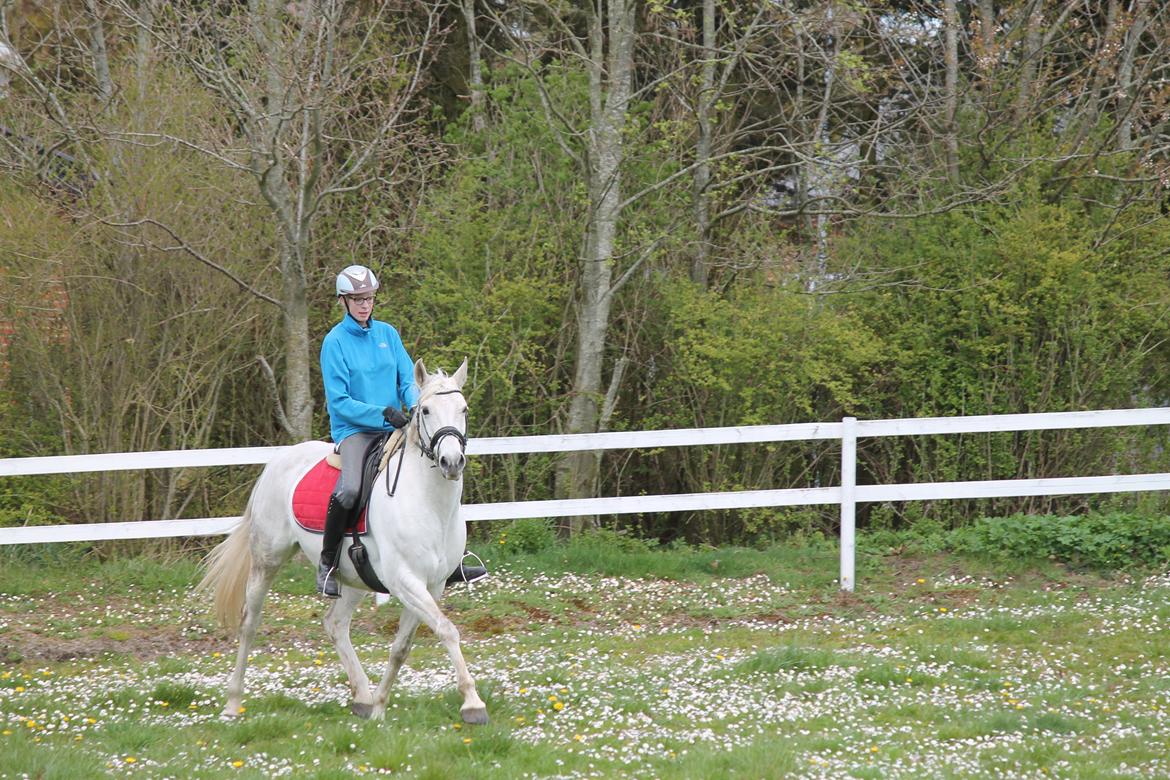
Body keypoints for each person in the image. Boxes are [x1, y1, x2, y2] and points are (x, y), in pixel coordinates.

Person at [317, 264, 485, 598]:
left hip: (397, 425)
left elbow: (408, 380)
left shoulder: (388, 335)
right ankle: (328, 563)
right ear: (343, 301)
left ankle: (452, 559)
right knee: (350, 490)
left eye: (369, 298)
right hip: (356, 431)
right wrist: (381, 412)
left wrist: (415, 405)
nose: (365, 305)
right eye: (357, 299)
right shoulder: (334, 343)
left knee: (437, 474)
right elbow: (339, 402)